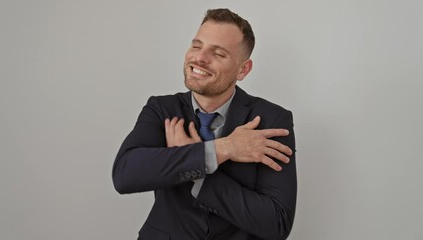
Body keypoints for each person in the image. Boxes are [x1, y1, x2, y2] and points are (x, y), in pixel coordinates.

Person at [112, 8, 297, 240]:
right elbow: (125, 175)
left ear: (243, 69)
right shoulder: (161, 109)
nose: (199, 58)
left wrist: (196, 170)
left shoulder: (272, 120)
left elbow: (277, 222)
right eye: (197, 46)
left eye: (218, 53)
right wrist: (223, 149)